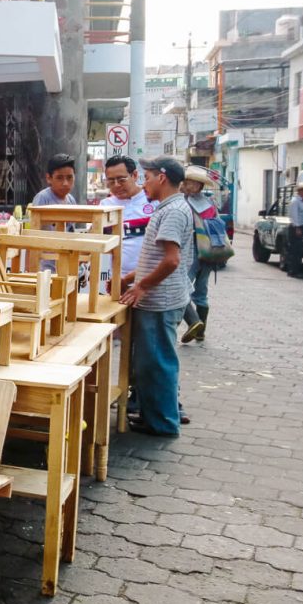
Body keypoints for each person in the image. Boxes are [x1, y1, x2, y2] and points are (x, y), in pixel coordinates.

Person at [119, 156, 194, 437]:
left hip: (161, 301)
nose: (144, 183)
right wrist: (129, 278)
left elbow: (171, 260)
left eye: (147, 177)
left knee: (159, 362)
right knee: (149, 362)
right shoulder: (169, 207)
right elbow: (156, 257)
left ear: (162, 177)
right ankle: (154, 417)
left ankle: (163, 423)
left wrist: (142, 287)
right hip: (158, 298)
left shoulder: (172, 211)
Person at [179, 166, 221, 342]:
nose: (187, 186)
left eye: (191, 183)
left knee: (182, 286)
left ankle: (195, 324)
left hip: (194, 250)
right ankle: (200, 330)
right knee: (201, 291)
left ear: (198, 186)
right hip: (210, 252)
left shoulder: (185, 203)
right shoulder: (209, 203)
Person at [100, 155, 156, 289]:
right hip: (117, 281)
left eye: (121, 179)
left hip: (150, 279)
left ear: (135, 175)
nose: (117, 185)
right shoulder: (105, 206)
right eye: (111, 181)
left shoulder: (154, 201)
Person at [30, 153, 78, 273]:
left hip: (65, 263)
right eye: (59, 178)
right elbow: (32, 235)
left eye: (69, 177)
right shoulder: (43, 198)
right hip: (45, 266)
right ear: (49, 178)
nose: (65, 183)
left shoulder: (71, 200)